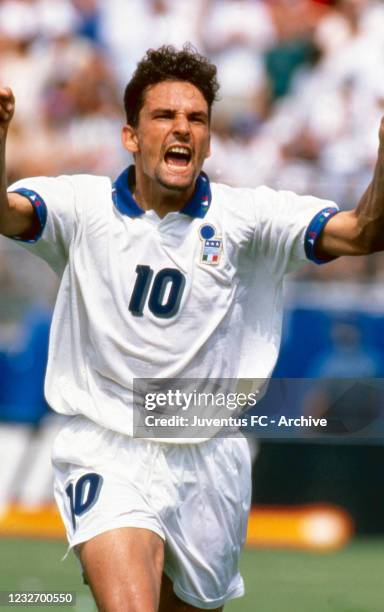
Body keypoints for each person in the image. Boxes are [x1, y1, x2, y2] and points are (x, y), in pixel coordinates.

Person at [0, 44, 383, 612]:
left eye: (196, 119)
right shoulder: (81, 207)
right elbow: (5, 214)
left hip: (211, 455)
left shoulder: (248, 218)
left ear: (207, 138)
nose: (182, 128)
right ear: (131, 136)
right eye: (164, 116)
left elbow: (361, 234)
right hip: (110, 446)